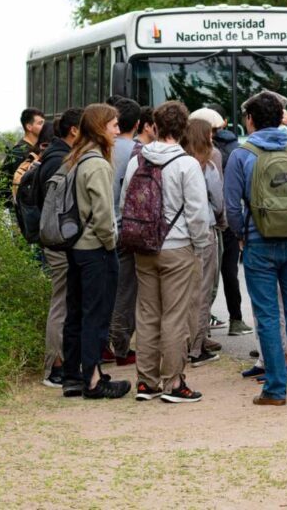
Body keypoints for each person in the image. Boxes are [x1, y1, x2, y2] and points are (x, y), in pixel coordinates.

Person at [224, 92, 287, 405]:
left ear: (250, 120)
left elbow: (231, 207)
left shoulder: (241, 154)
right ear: (281, 117)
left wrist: (242, 234)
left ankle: (275, 389)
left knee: (267, 316)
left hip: (258, 243)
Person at [120, 100, 214, 403]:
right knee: (175, 315)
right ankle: (173, 382)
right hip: (177, 248)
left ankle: (146, 382)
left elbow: (126, 204)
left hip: (143, 247)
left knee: (147, 313)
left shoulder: (137, 161)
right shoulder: (186, 164)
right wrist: (200, 246)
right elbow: (198, 213)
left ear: (155, 127)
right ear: (183, 129)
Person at [61, 103, 130, 400]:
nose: (117, 131)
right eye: (114, 125)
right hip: (96, 249)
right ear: (102, 127)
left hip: (75, 245)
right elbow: (103, 215)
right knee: (96, 315)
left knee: (75, 313)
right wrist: (111, 243)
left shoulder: (75, 158)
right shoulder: (99, 164)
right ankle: (93, 379)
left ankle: (72, 377)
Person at [37, 110, 81, 387]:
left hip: (54, 241)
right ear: (74, 131)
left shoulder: (52, 154)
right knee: (61, 303)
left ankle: (61, 361)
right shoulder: (59, 160)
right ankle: (55, 366)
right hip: (58, 243)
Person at [183, 114, 226, 366]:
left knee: (183, 291)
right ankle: (197, 347)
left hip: (178, 234)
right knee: (202, 289)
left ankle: (184, 340)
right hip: (204, 230)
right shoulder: (207, 164)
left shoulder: (177, 160)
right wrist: (223, 222)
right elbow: (218, 200)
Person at [107, 96, 144, 366]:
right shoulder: (137, 151)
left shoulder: (95, 148)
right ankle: (120, 346)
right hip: (125, 229)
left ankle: (100, 345)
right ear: (138, 123)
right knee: (125, 290)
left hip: (95, 228)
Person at [205, 103, 248, 335]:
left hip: (208, 220)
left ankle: (203, 321)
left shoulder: (195, 146)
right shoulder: (234, 146)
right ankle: (236, 320)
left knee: (205, 275)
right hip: (229, 216)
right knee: (230, 271)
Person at [0, 108, 45, 208]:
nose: (44, 126)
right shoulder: (19, 152)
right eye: (40, 123)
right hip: (20, 208)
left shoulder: (35, 148)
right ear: (29, 127)